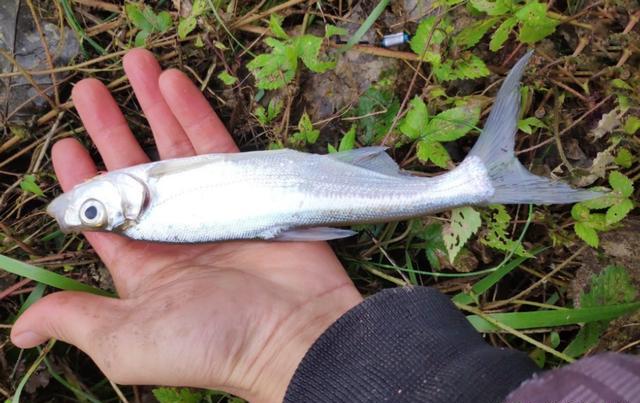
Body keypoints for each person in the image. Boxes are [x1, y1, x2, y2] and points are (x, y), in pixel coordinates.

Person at [10, 49, 639, 402]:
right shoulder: (145, 212)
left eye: (89, 206)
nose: (90, 204)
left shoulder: (147, 213)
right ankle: (480, 179)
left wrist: (286, 360)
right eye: (91, 213)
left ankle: (482, 178)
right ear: (122, 209)